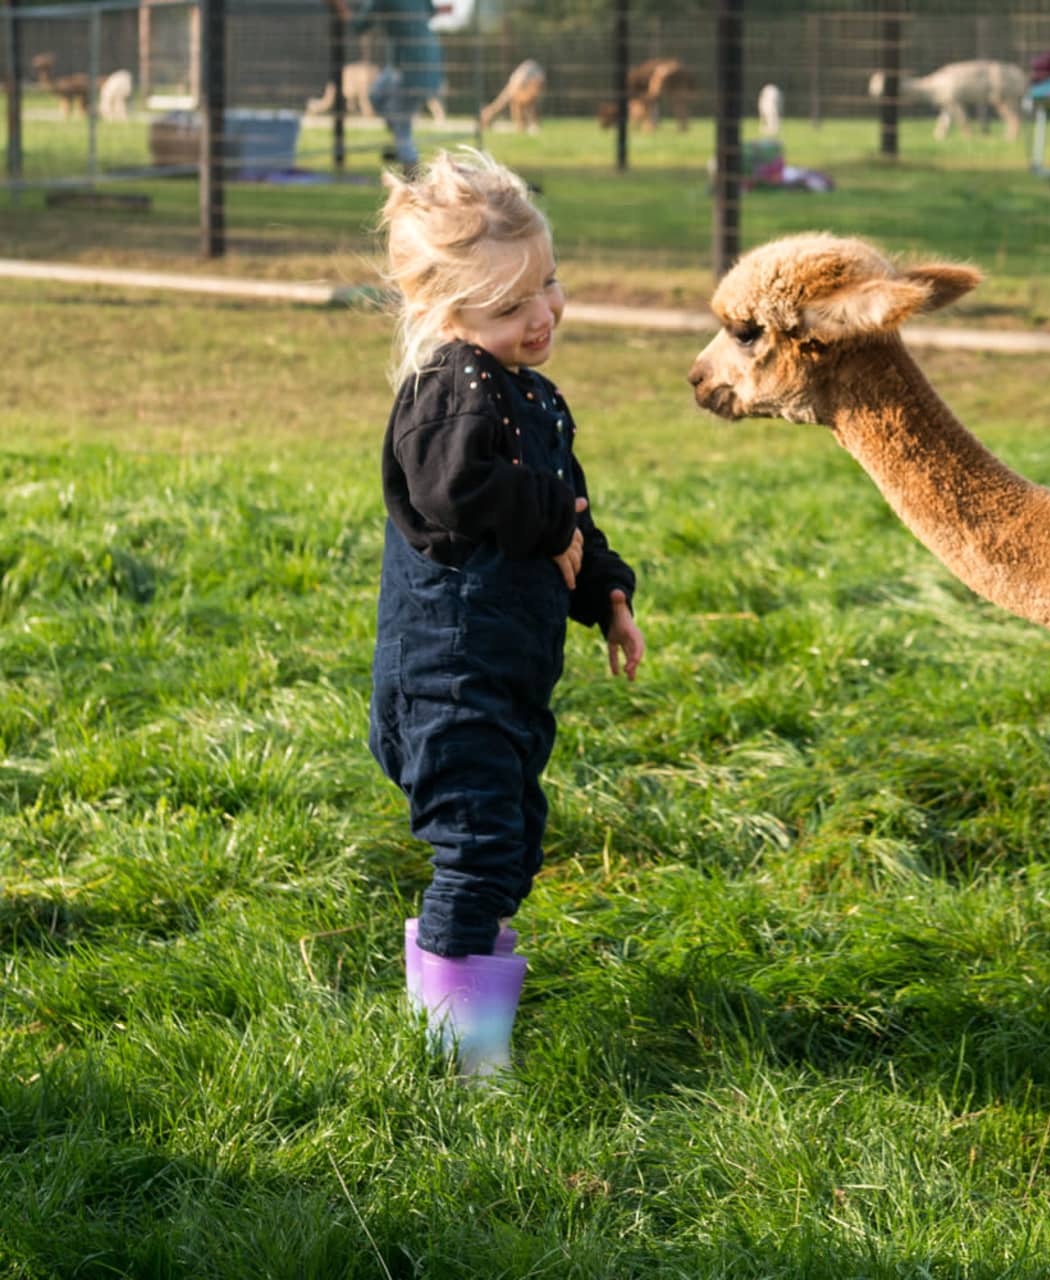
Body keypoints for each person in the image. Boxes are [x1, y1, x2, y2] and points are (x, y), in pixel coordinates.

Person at [370, 149, 645, 1076]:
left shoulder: (527, 391)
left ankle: (456, 977)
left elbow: (566, 506)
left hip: (506, 672)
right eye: (512, 305)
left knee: (509, 844)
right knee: (482, 848)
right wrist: (549, 533)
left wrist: (604, 589)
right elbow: (458, 493)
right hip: (450, 676)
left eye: (550, 285)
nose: (544, 314)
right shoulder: (449, 389)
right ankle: (456, 1064)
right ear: (448, 316)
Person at [330, 0, 442, 168]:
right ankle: (400, 142)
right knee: (375, 95)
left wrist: (340, 7)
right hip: (426, 59)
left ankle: (412, 172)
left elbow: (359, 25)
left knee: (401, 127)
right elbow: (431, 11)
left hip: (408, 67)